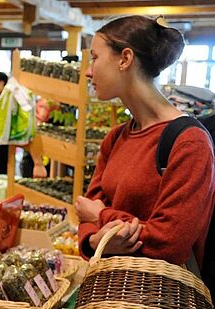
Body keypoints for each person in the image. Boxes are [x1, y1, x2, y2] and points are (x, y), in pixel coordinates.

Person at [76, 15, 214, 269]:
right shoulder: (115, 138)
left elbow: (170, 241)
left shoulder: (189, 142)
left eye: (95, 58)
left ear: (125, 59)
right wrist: (96, 240)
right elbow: (85, 211)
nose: (88, 71)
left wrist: (101, 216)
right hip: (111, 289)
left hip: (160, 300)